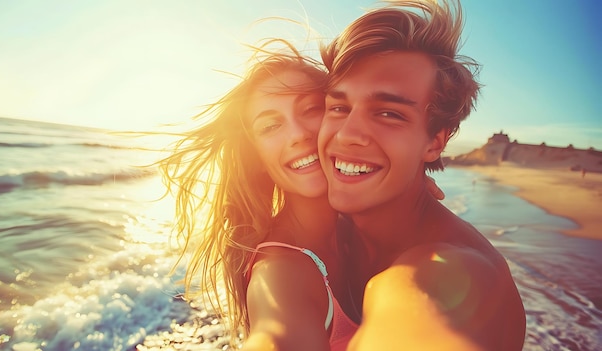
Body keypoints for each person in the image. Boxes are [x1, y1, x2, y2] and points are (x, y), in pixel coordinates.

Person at [317, 1, 527, 350]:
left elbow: (421, 313)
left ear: (435, 141)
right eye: (339, 107)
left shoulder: (457, 272)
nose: (347, 134)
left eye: (388, 113)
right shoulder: (326, 228)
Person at [160, 40, 355, 351]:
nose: (297, 134)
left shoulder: (368, 220)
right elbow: (276, 334)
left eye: (311, 109)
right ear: (257, 159)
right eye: (271, 126)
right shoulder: (280, 273)